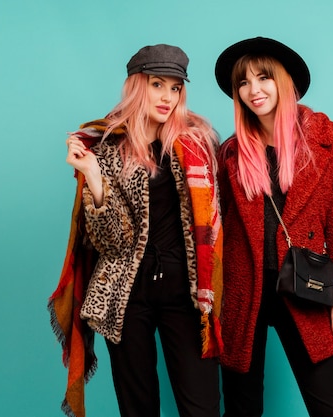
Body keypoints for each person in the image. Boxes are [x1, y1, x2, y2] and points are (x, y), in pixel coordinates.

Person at [48, 44, 223, 417]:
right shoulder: (107, 147)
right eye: (157, 84)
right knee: (137, 407)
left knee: (202, 407)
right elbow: (115, 242)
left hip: (186, 290)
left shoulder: (197, 142)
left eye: (175, 87)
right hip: (125, 292)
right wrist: (94, 176)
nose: (167, 96)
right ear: (136, 85)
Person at [214, 37, 333, 417]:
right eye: (243, 82)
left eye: (263, 78)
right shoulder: (230, 153)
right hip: (244, 289)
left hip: (303, 286)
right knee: (241, 409)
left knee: (331, 407)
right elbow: (219, 227)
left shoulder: (328, 140)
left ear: (284, 81)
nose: (253, 90)